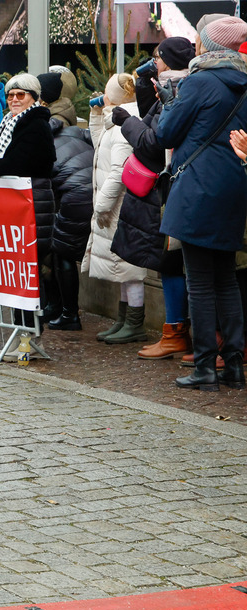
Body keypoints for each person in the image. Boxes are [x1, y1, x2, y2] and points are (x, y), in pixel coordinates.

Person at [158, 17, 247, 390]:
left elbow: (165, 134)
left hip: (196, 189)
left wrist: (169, 102)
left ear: (208, 45)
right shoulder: (244, 84)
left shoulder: (199, 82)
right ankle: (235, 366)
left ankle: (205, 367)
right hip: (234, 187)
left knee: (199, 281)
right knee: (226, 279)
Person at [111, 38, 194, 358]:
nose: (153, 62)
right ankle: (177, 333)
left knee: (173, 263)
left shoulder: (179, 91)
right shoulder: (171, 88)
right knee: (171, 263)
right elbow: (151, 115)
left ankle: (177, 332)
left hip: (172, 188)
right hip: (172, 186)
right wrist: (145, 79)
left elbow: (152, 139)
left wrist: (124, 121)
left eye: (157, 58)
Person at [0, 73, 56, 359]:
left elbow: (19, 162)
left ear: (33, 96)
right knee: (17, 273)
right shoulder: (11, 121)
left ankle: (28, 339)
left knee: (28, 273)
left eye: (21, 95)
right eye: (11, 95)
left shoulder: (36, 124)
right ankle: (21, 336)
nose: (14, 100)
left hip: (32, 206)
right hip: (17, 207)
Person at [83, 73, 148, 345]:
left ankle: (135, 323)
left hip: (120, 207)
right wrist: (96, 112)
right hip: (114, 207)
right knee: (120, 267)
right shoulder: (118, 121)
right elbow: (99, 140)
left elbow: (119, 171)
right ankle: (123, 321)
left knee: (129, 269)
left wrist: (101, 206)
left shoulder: (125, 126)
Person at [40, 71, 94, 332]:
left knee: (62, 254)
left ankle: (70, 314)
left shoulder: (50, 125)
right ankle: (61, 309)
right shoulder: (70, 127)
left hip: (73, 194)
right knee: (60, 253)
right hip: (81, 189)